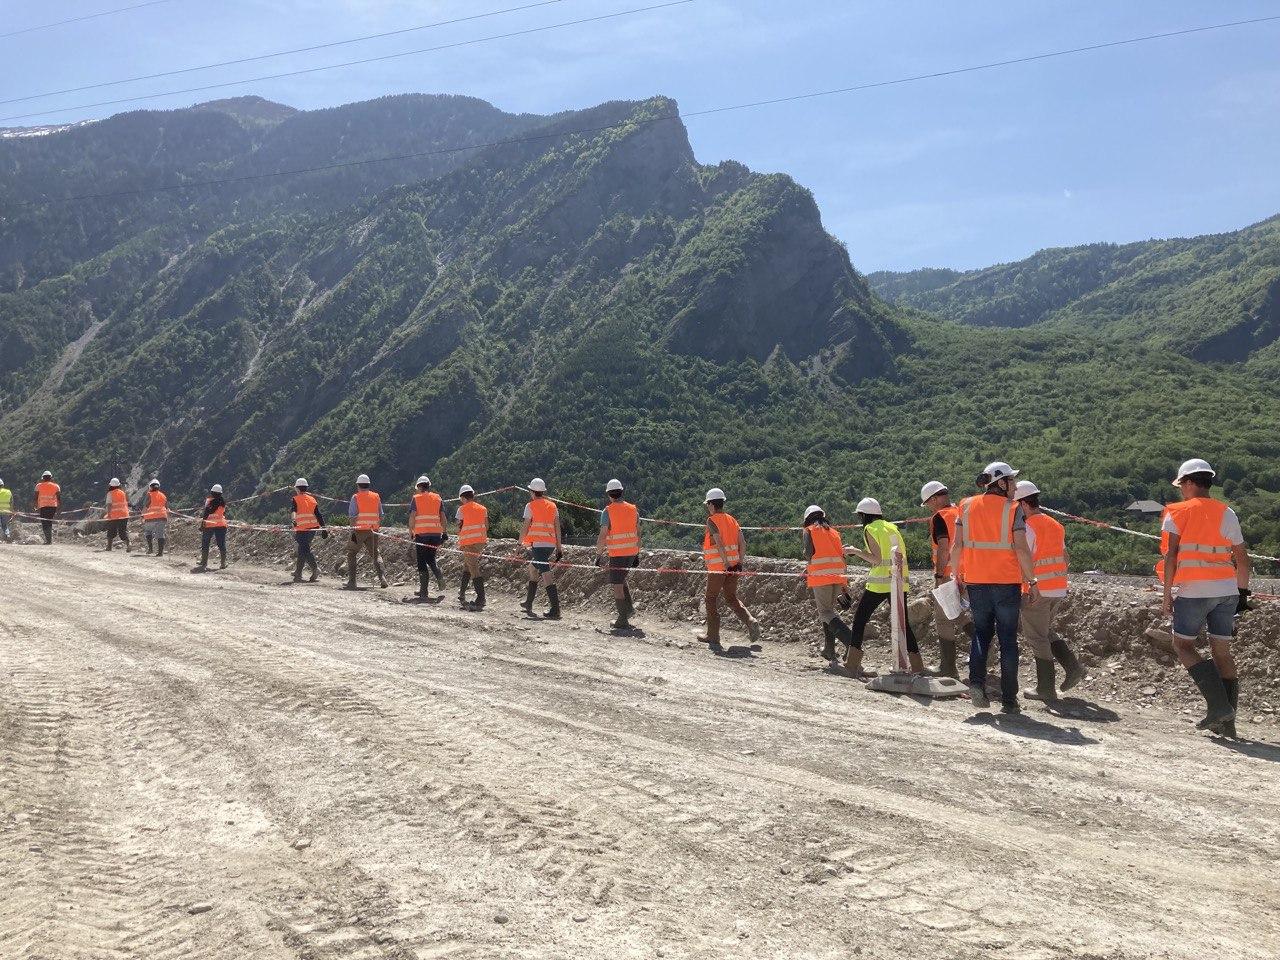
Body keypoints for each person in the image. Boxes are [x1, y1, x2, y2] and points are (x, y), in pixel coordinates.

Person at [1159, 458, 1251, 736]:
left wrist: (1167, 594)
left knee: (1182, 645)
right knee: (1222, 652)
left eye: (1181, 485)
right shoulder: (1227, 512)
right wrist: (1242, 595)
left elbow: (1171, 556)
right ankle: (1228, 724)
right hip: (1227, 591)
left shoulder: (1178, 512)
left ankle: (1218, 707)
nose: (1180, 490)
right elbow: (1242, 559)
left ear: (1189, 483)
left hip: (1195, 591)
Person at [950, 461, 1040, 714]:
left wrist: (957, 576)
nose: (1015, 486)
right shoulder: (1013, 509)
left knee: (981, 633)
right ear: (1001, 482)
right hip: (1006, 583)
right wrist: (1032, 581)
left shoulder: (966, 506)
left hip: (976, 581)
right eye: (1012, 481)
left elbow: (957, 546)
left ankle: (976, 683)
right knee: (1008, 639)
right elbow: (1021, 548)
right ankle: (1009, 700)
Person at [1013, 481, 1087, 702]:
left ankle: (1046, 688)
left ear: (1023, 504)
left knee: (1037, 636)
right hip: (1057, 588)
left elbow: (1023, 558)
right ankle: (1073, 667)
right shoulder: (1055, 524)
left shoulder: (1027, 527)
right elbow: (1065, 558)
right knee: (1044, 631)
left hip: (1037, 590)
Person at [843, 497, 926, 677]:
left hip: (880, 583)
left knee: (860, 619)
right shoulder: (891, 527)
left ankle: (852, 664)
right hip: (899, 580)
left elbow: (877, 559)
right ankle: (917, 666)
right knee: (903, 624)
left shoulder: (870, 529)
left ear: (864, 515)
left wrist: (855, 551)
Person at [920, 480, 973, 679]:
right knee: (958, 614)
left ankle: (948, 668)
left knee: (944, 619)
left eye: (928, 503)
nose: (928, 507)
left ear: (934, 499)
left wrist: (939, 575)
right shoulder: (961, 512)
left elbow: (943, 548)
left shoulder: (940, 517)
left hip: (948, 576)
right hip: (968, 574)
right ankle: (983, 642)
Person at [698, 487, 760, 653]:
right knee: (731, 597)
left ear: (712, 504)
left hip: (719, 567)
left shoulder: (712, 520)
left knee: (711, 598)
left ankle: (713, 636)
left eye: (708, 504)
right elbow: (743, 543)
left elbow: (718, 542)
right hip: (734, 566)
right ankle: (750, 620)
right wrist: (739, 562)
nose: (707, 507)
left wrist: (725, 563)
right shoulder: (732, 520)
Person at [801, 504, 856, 663]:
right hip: (837, 576)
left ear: (807, 519)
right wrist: (844, 585)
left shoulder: (809, 530)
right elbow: (840, 557)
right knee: (829, 612)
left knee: (825, 612)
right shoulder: (833, 532)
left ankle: (851, 642)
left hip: (822, 577)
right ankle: (829, 649)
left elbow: (809, 554)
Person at [595, 479, 640, 630]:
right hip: (631, 552)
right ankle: (628, 610)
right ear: (621, 492)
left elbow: (603, 535)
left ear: (609, 494)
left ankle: (622, 619)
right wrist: (637, 553)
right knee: (621, 579)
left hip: (617, 553)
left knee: (617, 585)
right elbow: (638, 532)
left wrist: (598, 555)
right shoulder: (633, 509)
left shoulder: (607, 511)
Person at [520, 478, 563, 619]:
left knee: (546, 575)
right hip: (550, 545)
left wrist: (520, 543)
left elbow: (525, 526)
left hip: (538, 546)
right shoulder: (552, 506)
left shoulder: (530, 506)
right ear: (542, 491)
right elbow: (557, 527)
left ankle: (555, 609)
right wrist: (559, 548)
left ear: (532, 492)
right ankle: (529, 603)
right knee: (532, 568)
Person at [408, 475, 448, 602]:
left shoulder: (416, 498)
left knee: (421, 561)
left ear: (419, 487)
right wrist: (444, 532)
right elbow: (443, 517)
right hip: (436, 534)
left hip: (422, 535)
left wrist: (411, 531)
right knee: (431, 559)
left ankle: (424, 591)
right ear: (428, 486)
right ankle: (440, 578)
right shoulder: (437, 498)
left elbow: (412, 517)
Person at [345, 473, 387, 590]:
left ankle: (352, 582)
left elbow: (353, 517)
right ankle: (382, 578)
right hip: (373, 530)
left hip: (359, 530)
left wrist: (352, 531)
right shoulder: (376, 496)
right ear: (368, 485)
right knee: (375, 554)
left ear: (358, 485)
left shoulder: (356, 497)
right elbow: (380, 515)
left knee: (352, 553)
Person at [456, 484, 489, 610]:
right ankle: (461, 593)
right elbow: (486, 526)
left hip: (468, 543)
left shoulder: (461, 509)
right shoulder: (483, 508)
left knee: (473, 568)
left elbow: (459, 527)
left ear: (463, 497)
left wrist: (462, 539)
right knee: (468, 565)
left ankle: (481, 598)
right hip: (480, 542)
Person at [290, 478, 327, 582]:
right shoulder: (312, 499)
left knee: (304, 549)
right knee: (302, 549)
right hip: (313, 528)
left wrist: (293, 520)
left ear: (297, 488)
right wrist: (324, 528)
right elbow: (318, 515)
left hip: (302, 528)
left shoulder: (296, 499)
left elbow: (293, 510)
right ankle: (298, 572)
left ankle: (315, 569)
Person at [195, 484, 228, 571]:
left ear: (212, 492)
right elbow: (223, 513)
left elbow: (206, 514)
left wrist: (202, 525)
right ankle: (223, 563)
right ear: (221, 493)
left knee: (205, 543)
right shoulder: (223, 502)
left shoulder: (209, 501)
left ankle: (204, 562)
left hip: (209, 525)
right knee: (221, 544)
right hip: (221, 525)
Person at [139, 479, 169, 556]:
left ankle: (150, 549)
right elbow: (167, 508)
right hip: (162, 517)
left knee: (148, 531)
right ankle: (160, 553)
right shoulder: (163, 495)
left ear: (150, 487)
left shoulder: (149, 495)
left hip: (150, 518)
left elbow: (146, 507)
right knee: (160, 534)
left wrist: (142, 516)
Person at [104, 477, 131, 552]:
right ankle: (129, 544)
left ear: (111, 485)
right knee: (122, 531)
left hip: (114, 515)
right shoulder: (122, 493)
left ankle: (109, 547)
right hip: (124, 514)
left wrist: (109, 514)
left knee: (111, 531)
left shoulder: (110, 493)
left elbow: (109, 505)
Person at [33, 470, 60, 544]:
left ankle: (48, 540)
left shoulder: (38, 486)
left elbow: (35, 497)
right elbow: (58, 499)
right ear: (51, 478)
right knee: (49, 522)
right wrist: (59, 509)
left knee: (44, 523)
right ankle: (49, 540)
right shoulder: (56, 486)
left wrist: (35, 506)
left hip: (43, 507)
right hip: (53, 507)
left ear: (43, 478)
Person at [0, 477, 13, 544]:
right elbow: (11, 502)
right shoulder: (8, 492)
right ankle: (8, 535)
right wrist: (11, 511)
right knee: (5, 525)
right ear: (3, 485)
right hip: (6, 511)